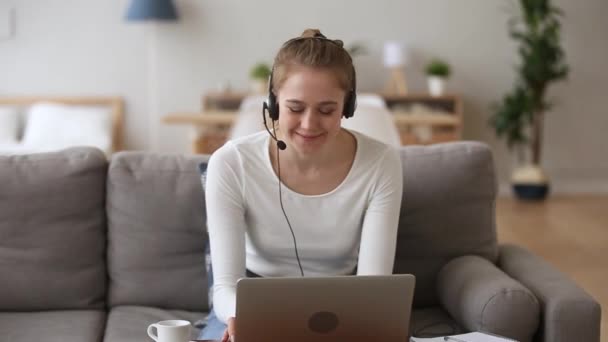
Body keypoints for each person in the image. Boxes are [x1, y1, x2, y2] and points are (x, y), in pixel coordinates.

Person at [198, 29, 404, 342]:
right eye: (295, 108)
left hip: (344, 303)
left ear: (347, 107)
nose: (309, 124)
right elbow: (225, 286)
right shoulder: (230, 163)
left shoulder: (381, 163)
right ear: (274, 103)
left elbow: (373, 287)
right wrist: (249, 316)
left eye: (326, 110)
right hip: (254, 301)